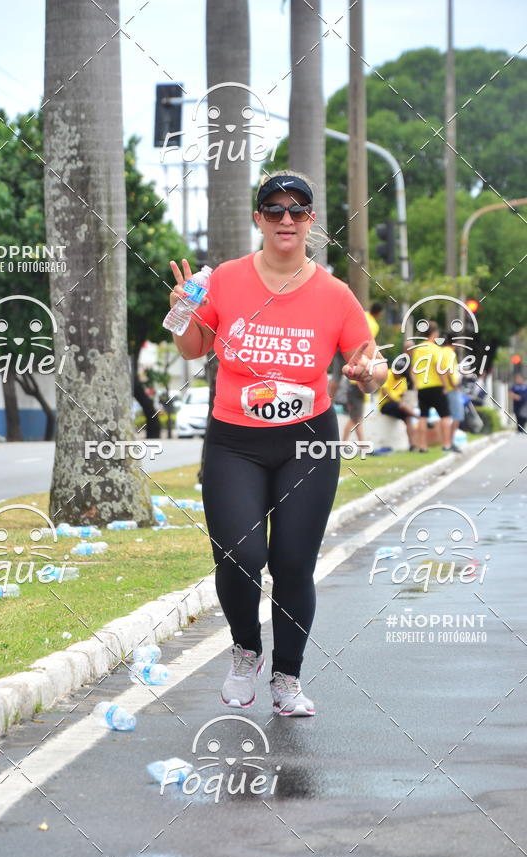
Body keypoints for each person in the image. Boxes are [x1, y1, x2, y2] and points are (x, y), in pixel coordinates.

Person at [167, 170, 386, 716]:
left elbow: (372, 362)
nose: (286, 220)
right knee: (240, 555)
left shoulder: (335, 294)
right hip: (234, 442)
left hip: (307, 441)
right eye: (274, 209)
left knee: (292, 562)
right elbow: (194, 349)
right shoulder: (225, 281)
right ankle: (245, 651)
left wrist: (368, 371)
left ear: (311, 220)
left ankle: (287, 679)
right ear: (258, 218)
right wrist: (182, 310)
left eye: (297, 210)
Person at [411, 321, 455, 453]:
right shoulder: (436, 349)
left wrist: (416, 384)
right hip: (436, 386)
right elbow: (439, 368)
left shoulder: (418, 349)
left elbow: (413, 369)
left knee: (423, 417)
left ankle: (423, 446)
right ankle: (446, 444)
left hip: (422, 387)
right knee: (445, 416)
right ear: (434, 334)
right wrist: (445, 385)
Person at [341, 303, 383, 443]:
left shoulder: (362, 315)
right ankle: (346, 444)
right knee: (355, 419)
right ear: (379, 314)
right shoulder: (374, 326)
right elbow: (367, 347)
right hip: (356, 381)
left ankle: (360, 445)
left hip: (351, 369)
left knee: (356, 419)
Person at [377, 368, 417, 450]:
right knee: (402, 406)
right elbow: (385, 392)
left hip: (397, 405)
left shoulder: (402, 379)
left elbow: (402, 393)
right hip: (385, 404)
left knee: (408, 418)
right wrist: (396, 401)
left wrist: (399, 401)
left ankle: (412, 445)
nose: (400, 377)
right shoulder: (387, 374)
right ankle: (419, 417)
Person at [441, 332, 464, 451]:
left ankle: (448, 443)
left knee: (448, 416)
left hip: (444, 387)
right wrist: (453, 385)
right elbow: (448, 371)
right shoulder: (450, 353)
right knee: (457, 415)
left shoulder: (442, 351)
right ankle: (449, 443)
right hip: (451, 388)